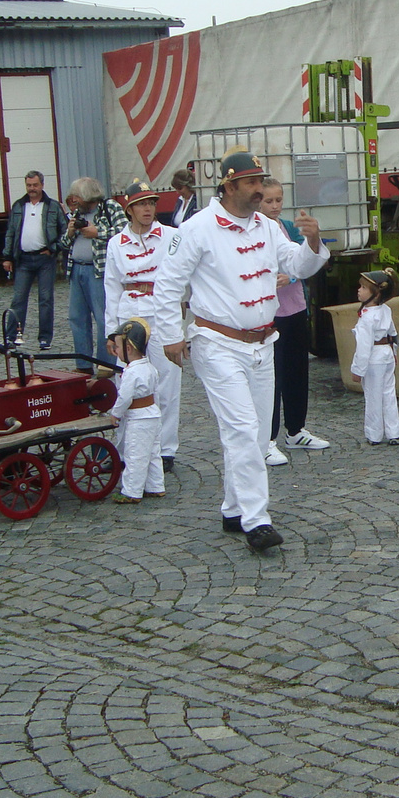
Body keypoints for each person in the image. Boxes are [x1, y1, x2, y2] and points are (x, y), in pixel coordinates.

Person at [153, 148, 330, 552]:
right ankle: (257, 519)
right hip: (216, 343)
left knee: (251, 431)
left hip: (262, 343)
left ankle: (234, 508)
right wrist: (169, 335)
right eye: (250, 182)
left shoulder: (267, 228)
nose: (258, 189)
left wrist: (313, 241)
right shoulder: (198, 228)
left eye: (260, 181)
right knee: (243, 429)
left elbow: (298, 266)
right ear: (229, 185)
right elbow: (167, 284)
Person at [104, 181, 180, 473]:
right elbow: (111, 287)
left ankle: (166, 448)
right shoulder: (116, 244)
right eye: (141, 204)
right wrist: (112, 331)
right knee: (128, 380)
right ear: (130, 209)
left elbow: (185, 274)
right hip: (130, 314)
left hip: (161, 313)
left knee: (167, 381)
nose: (148, 209)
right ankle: (127, 447)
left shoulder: (172, 237)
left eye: (151, 203)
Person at [259, 177, 330, 467]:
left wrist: (292, 275)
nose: (275, 206)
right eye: (269, 201)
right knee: (270, 377)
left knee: (297, 371)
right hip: (271, 312)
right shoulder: (254, 231)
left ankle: (296, 430)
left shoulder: (288, 227)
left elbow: (305, 260)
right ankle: (268, 438)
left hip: (295, 307)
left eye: (279, 200)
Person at [59, 178, 126, 372]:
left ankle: (106, 363)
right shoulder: (77, 213)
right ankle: (83, 364)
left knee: (103, 318)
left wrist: (98, 232)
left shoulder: (110, 207)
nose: (75, 201)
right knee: (76, 318)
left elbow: (124, 232)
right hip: (76, 270)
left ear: (88, 196)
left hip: (99, 271)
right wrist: (71, 232)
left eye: (77, 197)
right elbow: (63, 243)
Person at [3, 170, 68, 349]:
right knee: (18, 299)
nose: (32, 189)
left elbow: (65, 232)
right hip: (23, 259)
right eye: (29, 185)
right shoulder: (18, 206)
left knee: (45, 299)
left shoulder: (53, 206)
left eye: (35, 185)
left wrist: (53, 249)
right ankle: (12, 337)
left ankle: (45, 338)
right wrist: (7, 257)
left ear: (42, 185)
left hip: (45, 259)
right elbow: (10, 233)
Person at [106, 318, 163, 504]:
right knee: (153, 452)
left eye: (118, 348)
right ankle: (156, 486)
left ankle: (132, 491)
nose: (117, 351)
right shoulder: (150, 367)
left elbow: (124, 397)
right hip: (153, 413)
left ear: (129, 349)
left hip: (138, 418)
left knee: (135, 454)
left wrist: (115, 413)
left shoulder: (131, 372)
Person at [351, 268, 399, 446]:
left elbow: (364, 347)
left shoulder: (366, 318)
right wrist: (394, 353)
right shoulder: (386, 310)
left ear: (376, 292)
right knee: (388, 393)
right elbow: (393, 334)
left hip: (374, 358)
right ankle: (394, 431)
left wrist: (357, 370)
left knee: (373, 396)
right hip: (387, 355)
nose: (359, 290)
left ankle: (374, 434)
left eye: (364, 287)